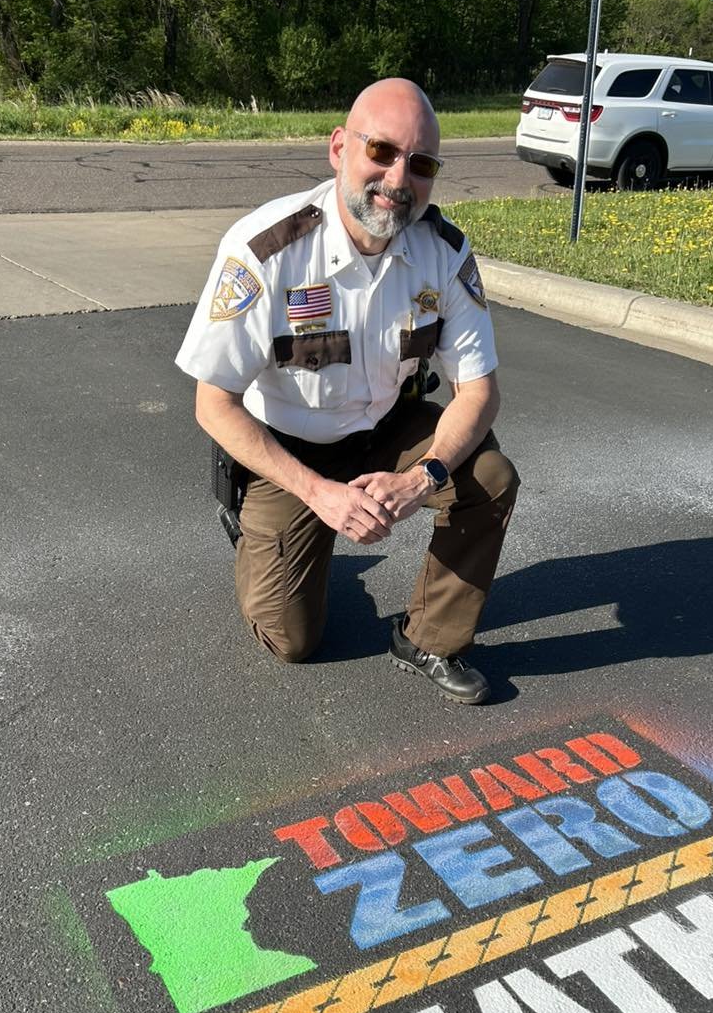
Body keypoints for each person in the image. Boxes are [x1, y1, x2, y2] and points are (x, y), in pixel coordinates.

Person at [175, 77, 518, 705]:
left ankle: (430, 639)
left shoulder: (442, 252)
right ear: (339, 148)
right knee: (291, 639)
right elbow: (213, 402)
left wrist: (421, 479)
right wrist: (318, 494)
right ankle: (258, 524)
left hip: (385, 427)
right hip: (290, 449)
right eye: (381, 151)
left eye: (421, 164)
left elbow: (479, 392)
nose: (398, 178)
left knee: (488, 475)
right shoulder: (266, 250)